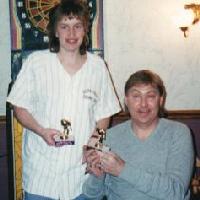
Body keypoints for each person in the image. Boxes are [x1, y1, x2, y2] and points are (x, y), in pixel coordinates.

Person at [7, 0, 120, 199]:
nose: (71, 34)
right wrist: (42, 131)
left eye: (77, 26)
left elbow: (104, 115)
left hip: (81, 177)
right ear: (55, 31)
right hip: (41, 176)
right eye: (64, 27)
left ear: (85, 30)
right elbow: (19, 107)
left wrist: (94, 145)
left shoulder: (98, 67)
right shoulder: (37, 63)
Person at [83, 70, 194, 200]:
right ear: (126, 101)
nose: (143, 104)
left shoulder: (179, 133)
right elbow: (91, 195)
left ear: (161, 100)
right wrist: (98, 176)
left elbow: (176, 192)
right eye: (136, 96)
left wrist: (123, 170)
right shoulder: (109, 136)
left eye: (150, 96)